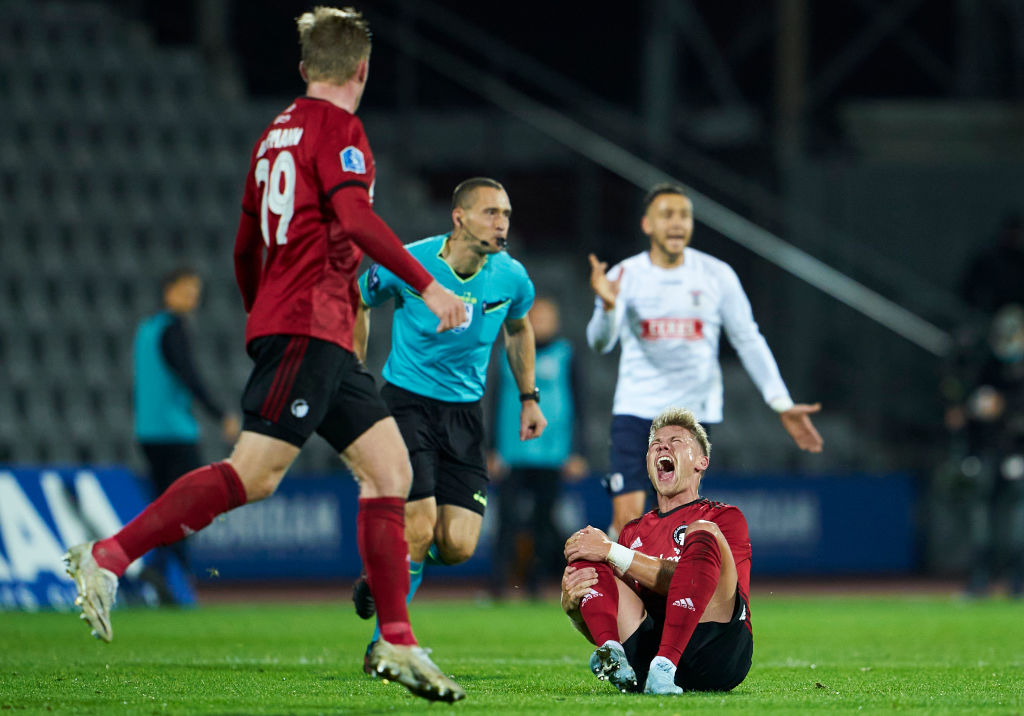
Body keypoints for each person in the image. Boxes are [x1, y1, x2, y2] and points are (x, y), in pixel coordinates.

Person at [63, 7, 468, 703]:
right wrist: (426, 285)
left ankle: (397, 641)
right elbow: (355, 217)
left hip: (318, 332)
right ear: (362, 71)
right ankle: (108, 556)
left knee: (390, 472)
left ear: (305, 68)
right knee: (253, 476)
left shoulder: (271, 139)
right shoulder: (340, 131)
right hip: (311, 325)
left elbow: (243, 248)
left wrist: (263, 312)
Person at [351, 177, 546, 663]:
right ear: (458, 218)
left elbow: (519, 330)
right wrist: (354, 371)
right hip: (406, 404)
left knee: (457, 544)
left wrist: (529, 397)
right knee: (418, 525)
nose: (501, 223)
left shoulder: (512, 277)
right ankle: (388, 644)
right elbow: (358, 298)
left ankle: (387, 574)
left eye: (505, 214)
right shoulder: (407, 261)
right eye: (490, 213)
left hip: (464, 415)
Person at [587, 183, 823, 537]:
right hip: (637, 410)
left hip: (692, 415)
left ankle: (667, 591)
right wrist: (607, 308)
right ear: (647, 224)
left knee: (674, 519)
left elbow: (747, 338)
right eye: (667, 215)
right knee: (627, 522)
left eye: (684, 215)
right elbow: (600, 343)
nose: (677, 223)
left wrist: (780, 402)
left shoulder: (716, 275)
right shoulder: (625, 276)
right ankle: (618, 586)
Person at [561, 407, 752, 695]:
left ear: (702, 461)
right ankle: (613, 653)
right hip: (647, 659)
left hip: (716, 653)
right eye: (655, 444)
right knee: (586, 548)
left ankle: (666, 665)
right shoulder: (632, 532)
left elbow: (699, 582)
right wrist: (576, 612)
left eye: (676, 441)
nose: (663, 445)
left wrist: (612, 551)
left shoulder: (724, 517)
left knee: (702, 532)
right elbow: (626, 615)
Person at [133, 267, 240, 601]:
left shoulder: (146, 330)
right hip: (175, 432)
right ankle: (175, 574)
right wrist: (220, 414)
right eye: (187, 289)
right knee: (185, 507)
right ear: (169, 291)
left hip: (148, 432)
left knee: (163, 505)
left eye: (196, 290)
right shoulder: (174, 329)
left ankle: (162, 570)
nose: (193, 297)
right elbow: (189, 375)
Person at [489, 296, 588, 599]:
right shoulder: (509, 351)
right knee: (506, 520)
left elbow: (580, 403)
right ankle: (498, 587)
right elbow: (493, 401)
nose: (541, 323)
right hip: (512, 451)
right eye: (536, 317)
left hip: (553, 454)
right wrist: (491, 448)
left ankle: (536, 586)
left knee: (544, 523)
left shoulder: (566, 354)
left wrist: (578, 451)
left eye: (546, 318)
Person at [944, 304, 1024, 597]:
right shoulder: (988, 365)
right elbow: (967, 402)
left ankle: (1018, 582)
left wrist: (1006, 410)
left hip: (1017, 451)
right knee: (981, 521)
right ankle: (979, 581)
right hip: (987, 451)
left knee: (1017, 520)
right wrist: (966, 410)